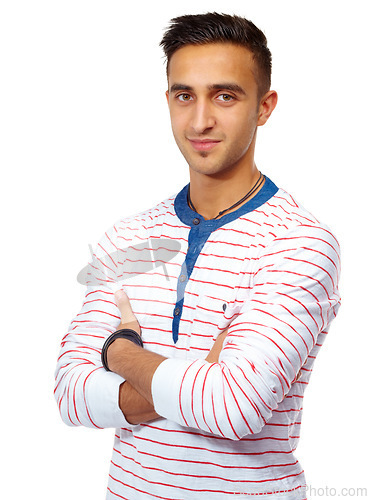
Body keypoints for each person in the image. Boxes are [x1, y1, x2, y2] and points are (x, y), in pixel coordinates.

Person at [54, 12, 341, 500]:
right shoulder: (128, 237)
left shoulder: (300, 242)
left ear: (264, 107)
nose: (201, 120)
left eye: (225, 96)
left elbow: (234, 408)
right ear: (168, 101)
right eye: (185, 95)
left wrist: (119, 351)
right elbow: (69, 395)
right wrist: (193, 380)